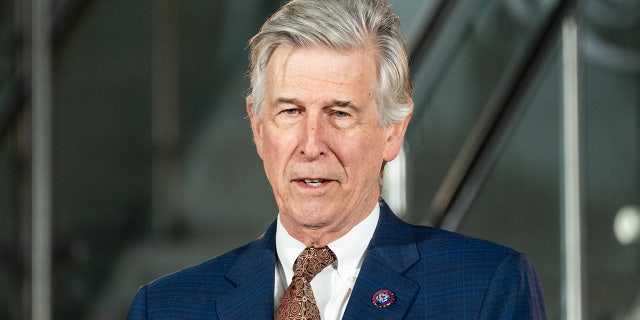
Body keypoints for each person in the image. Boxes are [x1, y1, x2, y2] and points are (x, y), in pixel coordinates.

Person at [126, 0, 547, 319]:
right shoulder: (164, 307)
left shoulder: (484, 288)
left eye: (340, 113)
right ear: (257, 127)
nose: (312, 144)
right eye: (290, 111)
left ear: (393, 131)